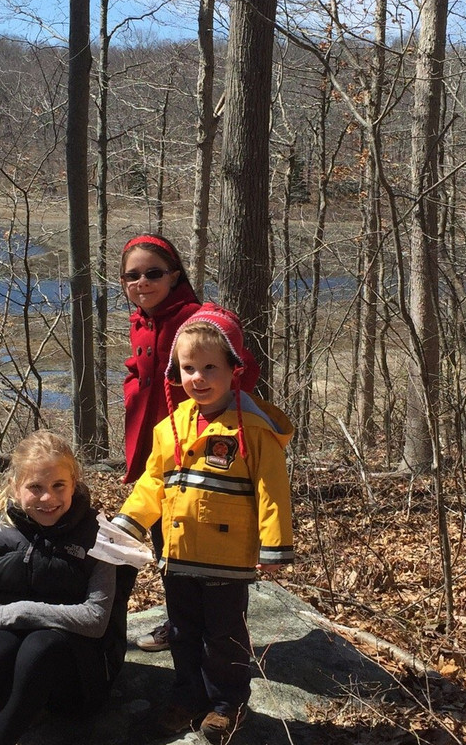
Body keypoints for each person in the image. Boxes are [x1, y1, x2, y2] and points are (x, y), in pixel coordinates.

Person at [113, 304, 294, 745]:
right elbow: (153, 482)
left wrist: (274, 547)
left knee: (224, 636)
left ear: (234, 369)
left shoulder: (254, 429)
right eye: (189, 368)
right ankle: (187, 696)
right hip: (179, 555)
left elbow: (272, 491)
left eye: (210, 367)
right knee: (182, 632)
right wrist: (130, 523)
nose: (199, 377)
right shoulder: (170, 428)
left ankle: (227, 704)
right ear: (177, 373)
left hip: (227, 558)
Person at [0, 430, 138, 745]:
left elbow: (95, 619)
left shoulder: (98, 537)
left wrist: (19, 612)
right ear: (15, 487)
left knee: (42, 644)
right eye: (35, 487)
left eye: (58, 486)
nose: (47, 498)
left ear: (74, 483)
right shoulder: (0, 532)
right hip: (22, 679)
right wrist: (8, 616)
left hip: (81, 678)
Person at [120, 233, 200, 652]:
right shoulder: (142, 320)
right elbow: (139, 368)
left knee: (187, 544)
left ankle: (197, 630)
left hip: (190, 455)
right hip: (152, 455)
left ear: (174, 275)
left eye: (153, 273)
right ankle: (180, 624)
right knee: (160, 542)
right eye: (131, 276)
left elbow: (241, 371)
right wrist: (133, 387)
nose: (142, 283)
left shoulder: (196, 320)